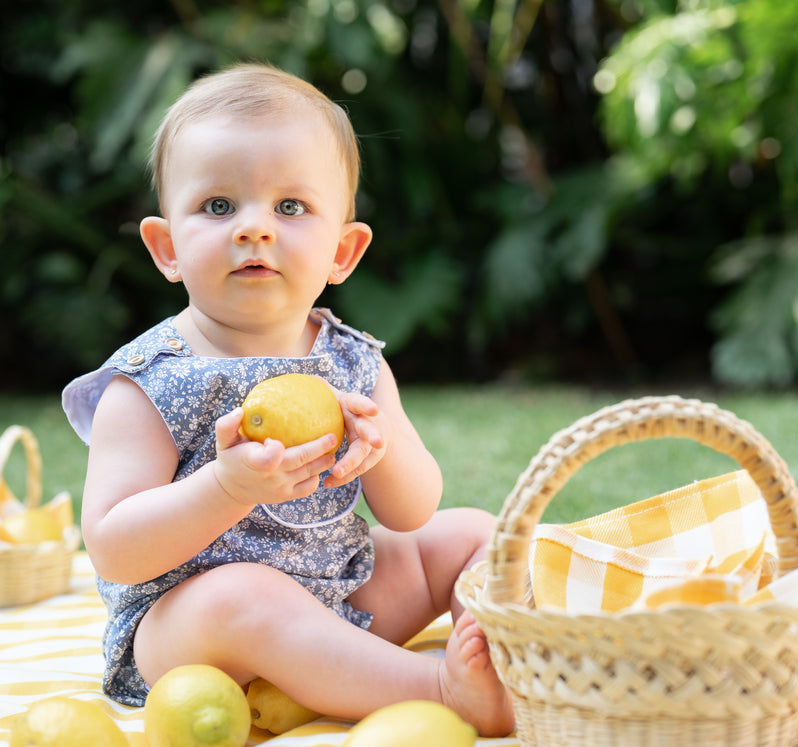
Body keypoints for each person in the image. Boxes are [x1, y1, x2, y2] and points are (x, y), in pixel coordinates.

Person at [61, 63, 514, 737]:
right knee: (242, 594)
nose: (254, 229)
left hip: (341, 589)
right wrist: (225, 486)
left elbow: (412, 512)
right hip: (199, 633)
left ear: (343, 250)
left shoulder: (353, 362)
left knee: (479, 532)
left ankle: (508, 656)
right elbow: (115, 550)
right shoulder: (148, 381)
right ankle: (440, 686)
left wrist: (380, 449)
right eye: (218, 206)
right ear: (166, 248)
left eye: (291, 207)